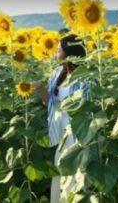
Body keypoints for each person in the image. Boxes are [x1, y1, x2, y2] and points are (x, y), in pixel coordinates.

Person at [33, 34, 93, 203]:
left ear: (70, 53)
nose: (55, 54)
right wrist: (41, 89)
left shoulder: (87, 77)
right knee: (61, 178)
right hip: (62, 136)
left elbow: (91, 111)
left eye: (58, 51)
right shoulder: (58, 73)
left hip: (79, 137)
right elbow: (52, 106)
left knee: (78, 181)